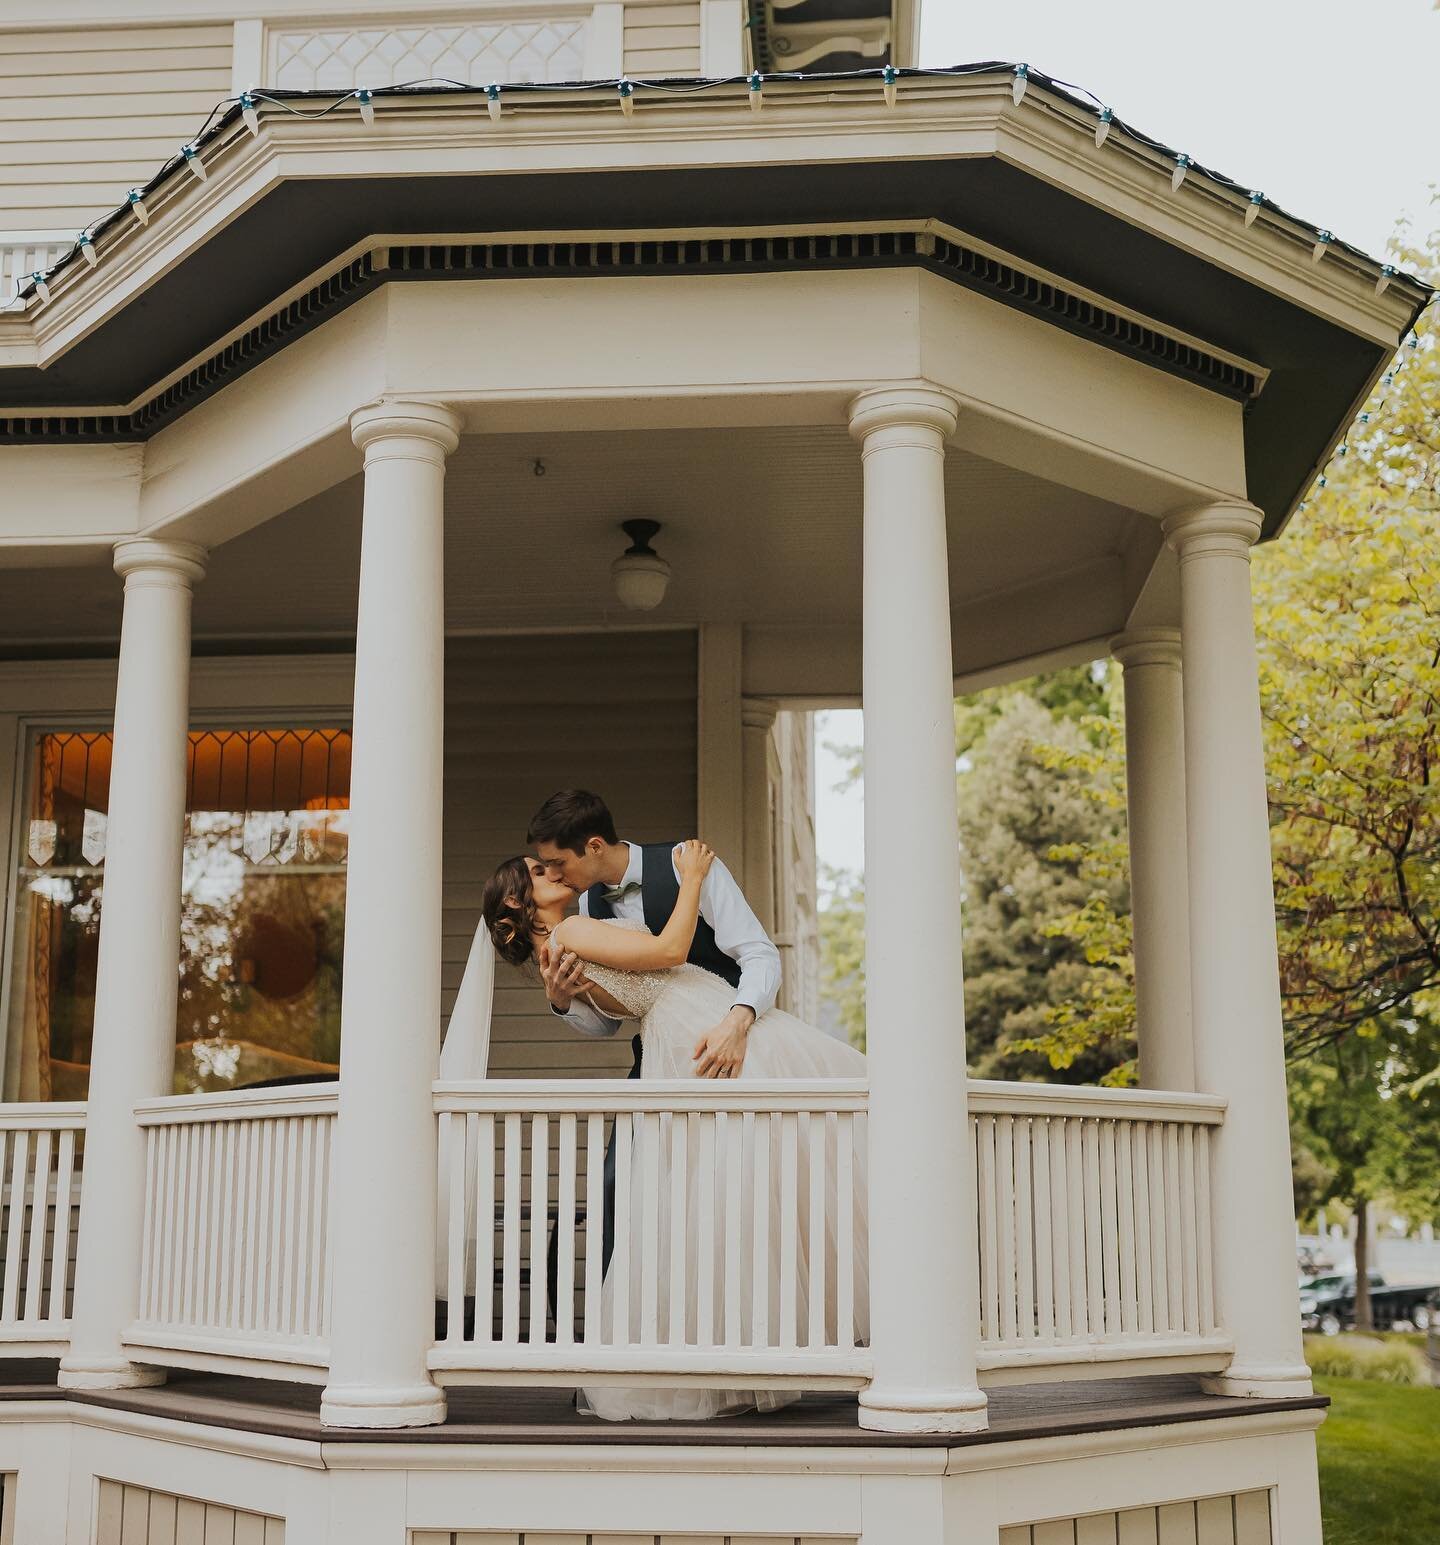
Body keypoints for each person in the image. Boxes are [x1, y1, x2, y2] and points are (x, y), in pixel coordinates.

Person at [479, 839, 868, 1421]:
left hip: (694, 1026)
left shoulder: (561, 947)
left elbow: (623, 994)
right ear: (520, 901)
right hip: (691, 1026)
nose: (554, 871)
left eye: (554, 861)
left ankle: (725, 1351)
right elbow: (668, 949)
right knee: (814, 1137)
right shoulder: (570, 936)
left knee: (714, 1195)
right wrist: (689, 879)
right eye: (539, 871)